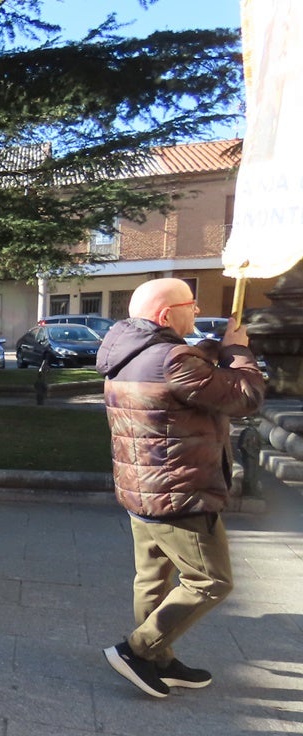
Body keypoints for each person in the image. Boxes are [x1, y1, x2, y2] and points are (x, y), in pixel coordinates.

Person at [96, 278, 264, 698]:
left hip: (143, 488)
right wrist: (239, 351)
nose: (197, 309)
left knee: (152, 578)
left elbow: (184, 377)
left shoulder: (127, 354)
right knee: (211, 581)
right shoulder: (173, 360)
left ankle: (160, 661)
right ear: (166, 315)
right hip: (181, 492)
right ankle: (139, 650)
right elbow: (245, 397)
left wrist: (213, 350)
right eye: (191, 304)